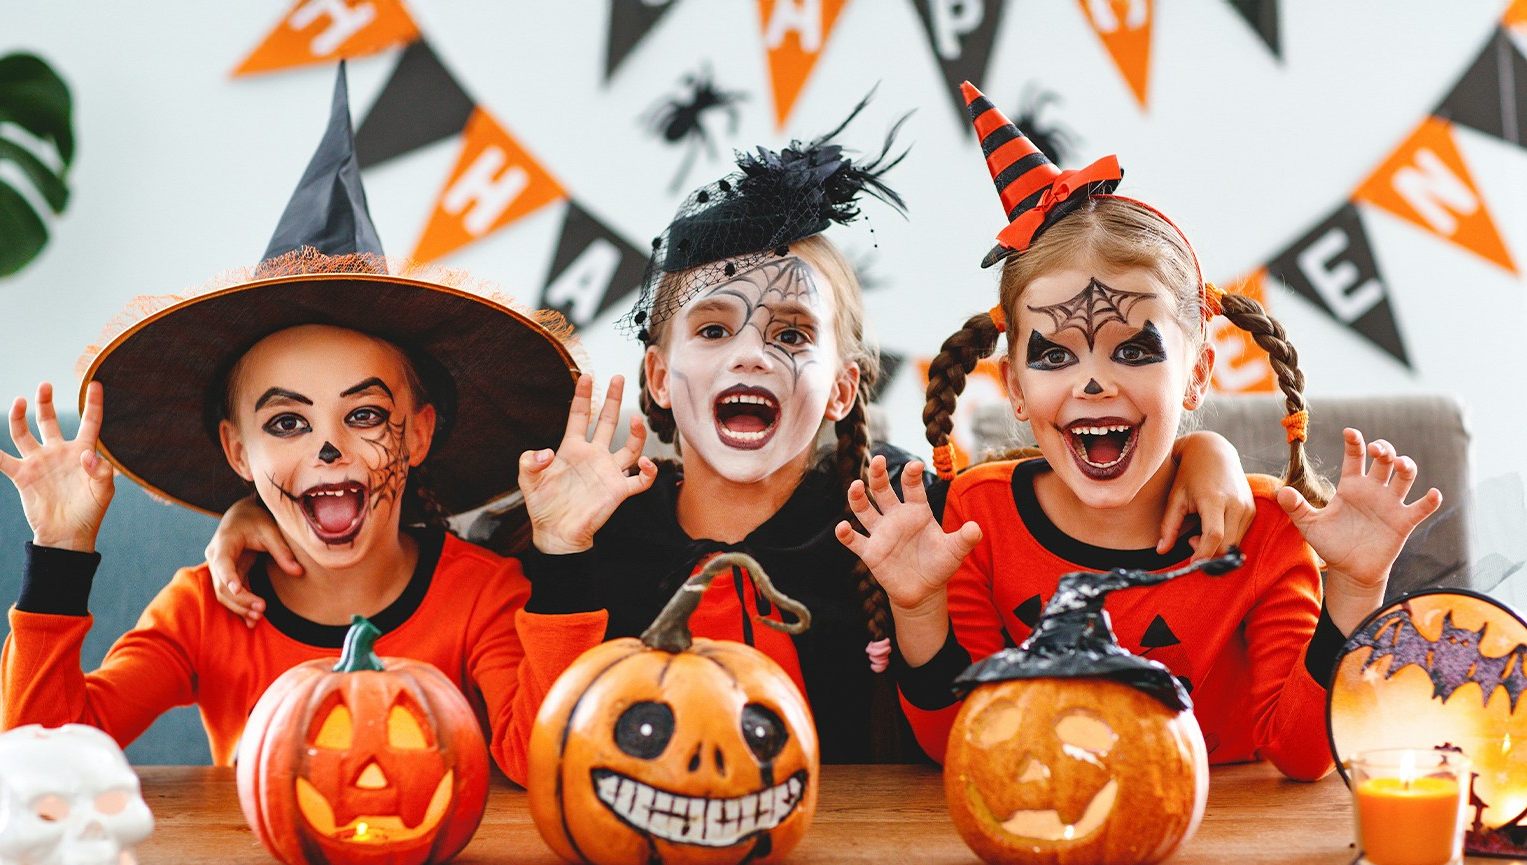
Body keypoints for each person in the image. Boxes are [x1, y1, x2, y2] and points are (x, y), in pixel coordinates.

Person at [210, 99, 1254, 763]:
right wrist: (257, 527)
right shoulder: (591, 526)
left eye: (791, 333)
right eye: (714, 328)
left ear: (843, 385)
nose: (752, 354)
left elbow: (1063, 494)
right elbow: (423, 568)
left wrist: (1206, 455)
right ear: (661, 377)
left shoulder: (900, 508)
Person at [0, 67, 579, 786]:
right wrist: (61, 555)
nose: (329, 447)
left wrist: (565, 558)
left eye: (363, 415)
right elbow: (42, 758)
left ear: (417, 435)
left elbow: (549, 760)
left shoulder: (482, 595)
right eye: (287, 421)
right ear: (238, 449)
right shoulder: (208, 609)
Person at [839, 83, 1442, 779]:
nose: (1093, 382)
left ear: (1197, 375)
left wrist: (1357, 591)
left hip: (1219, 861)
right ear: (1016, 389)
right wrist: (918, 610)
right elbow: (958, 748)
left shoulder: (1270, 533)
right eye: (1056, 355)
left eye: (1134, 350)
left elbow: (1302, 754)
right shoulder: (978, 519)